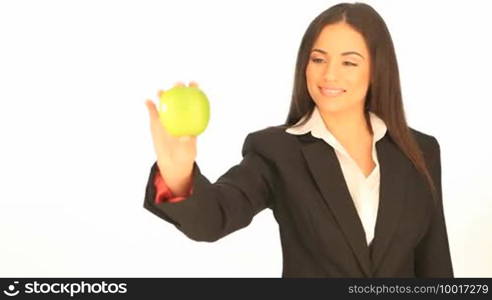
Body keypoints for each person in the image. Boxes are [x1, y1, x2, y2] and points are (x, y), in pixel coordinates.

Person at [143, 2, 453, 278]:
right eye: (318, 59)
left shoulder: (420, 151)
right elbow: (212, 220)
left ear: (376, 70)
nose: (329, 74)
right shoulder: (277, 151)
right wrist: (177, 173)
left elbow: (435, 263)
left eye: (349, 62)